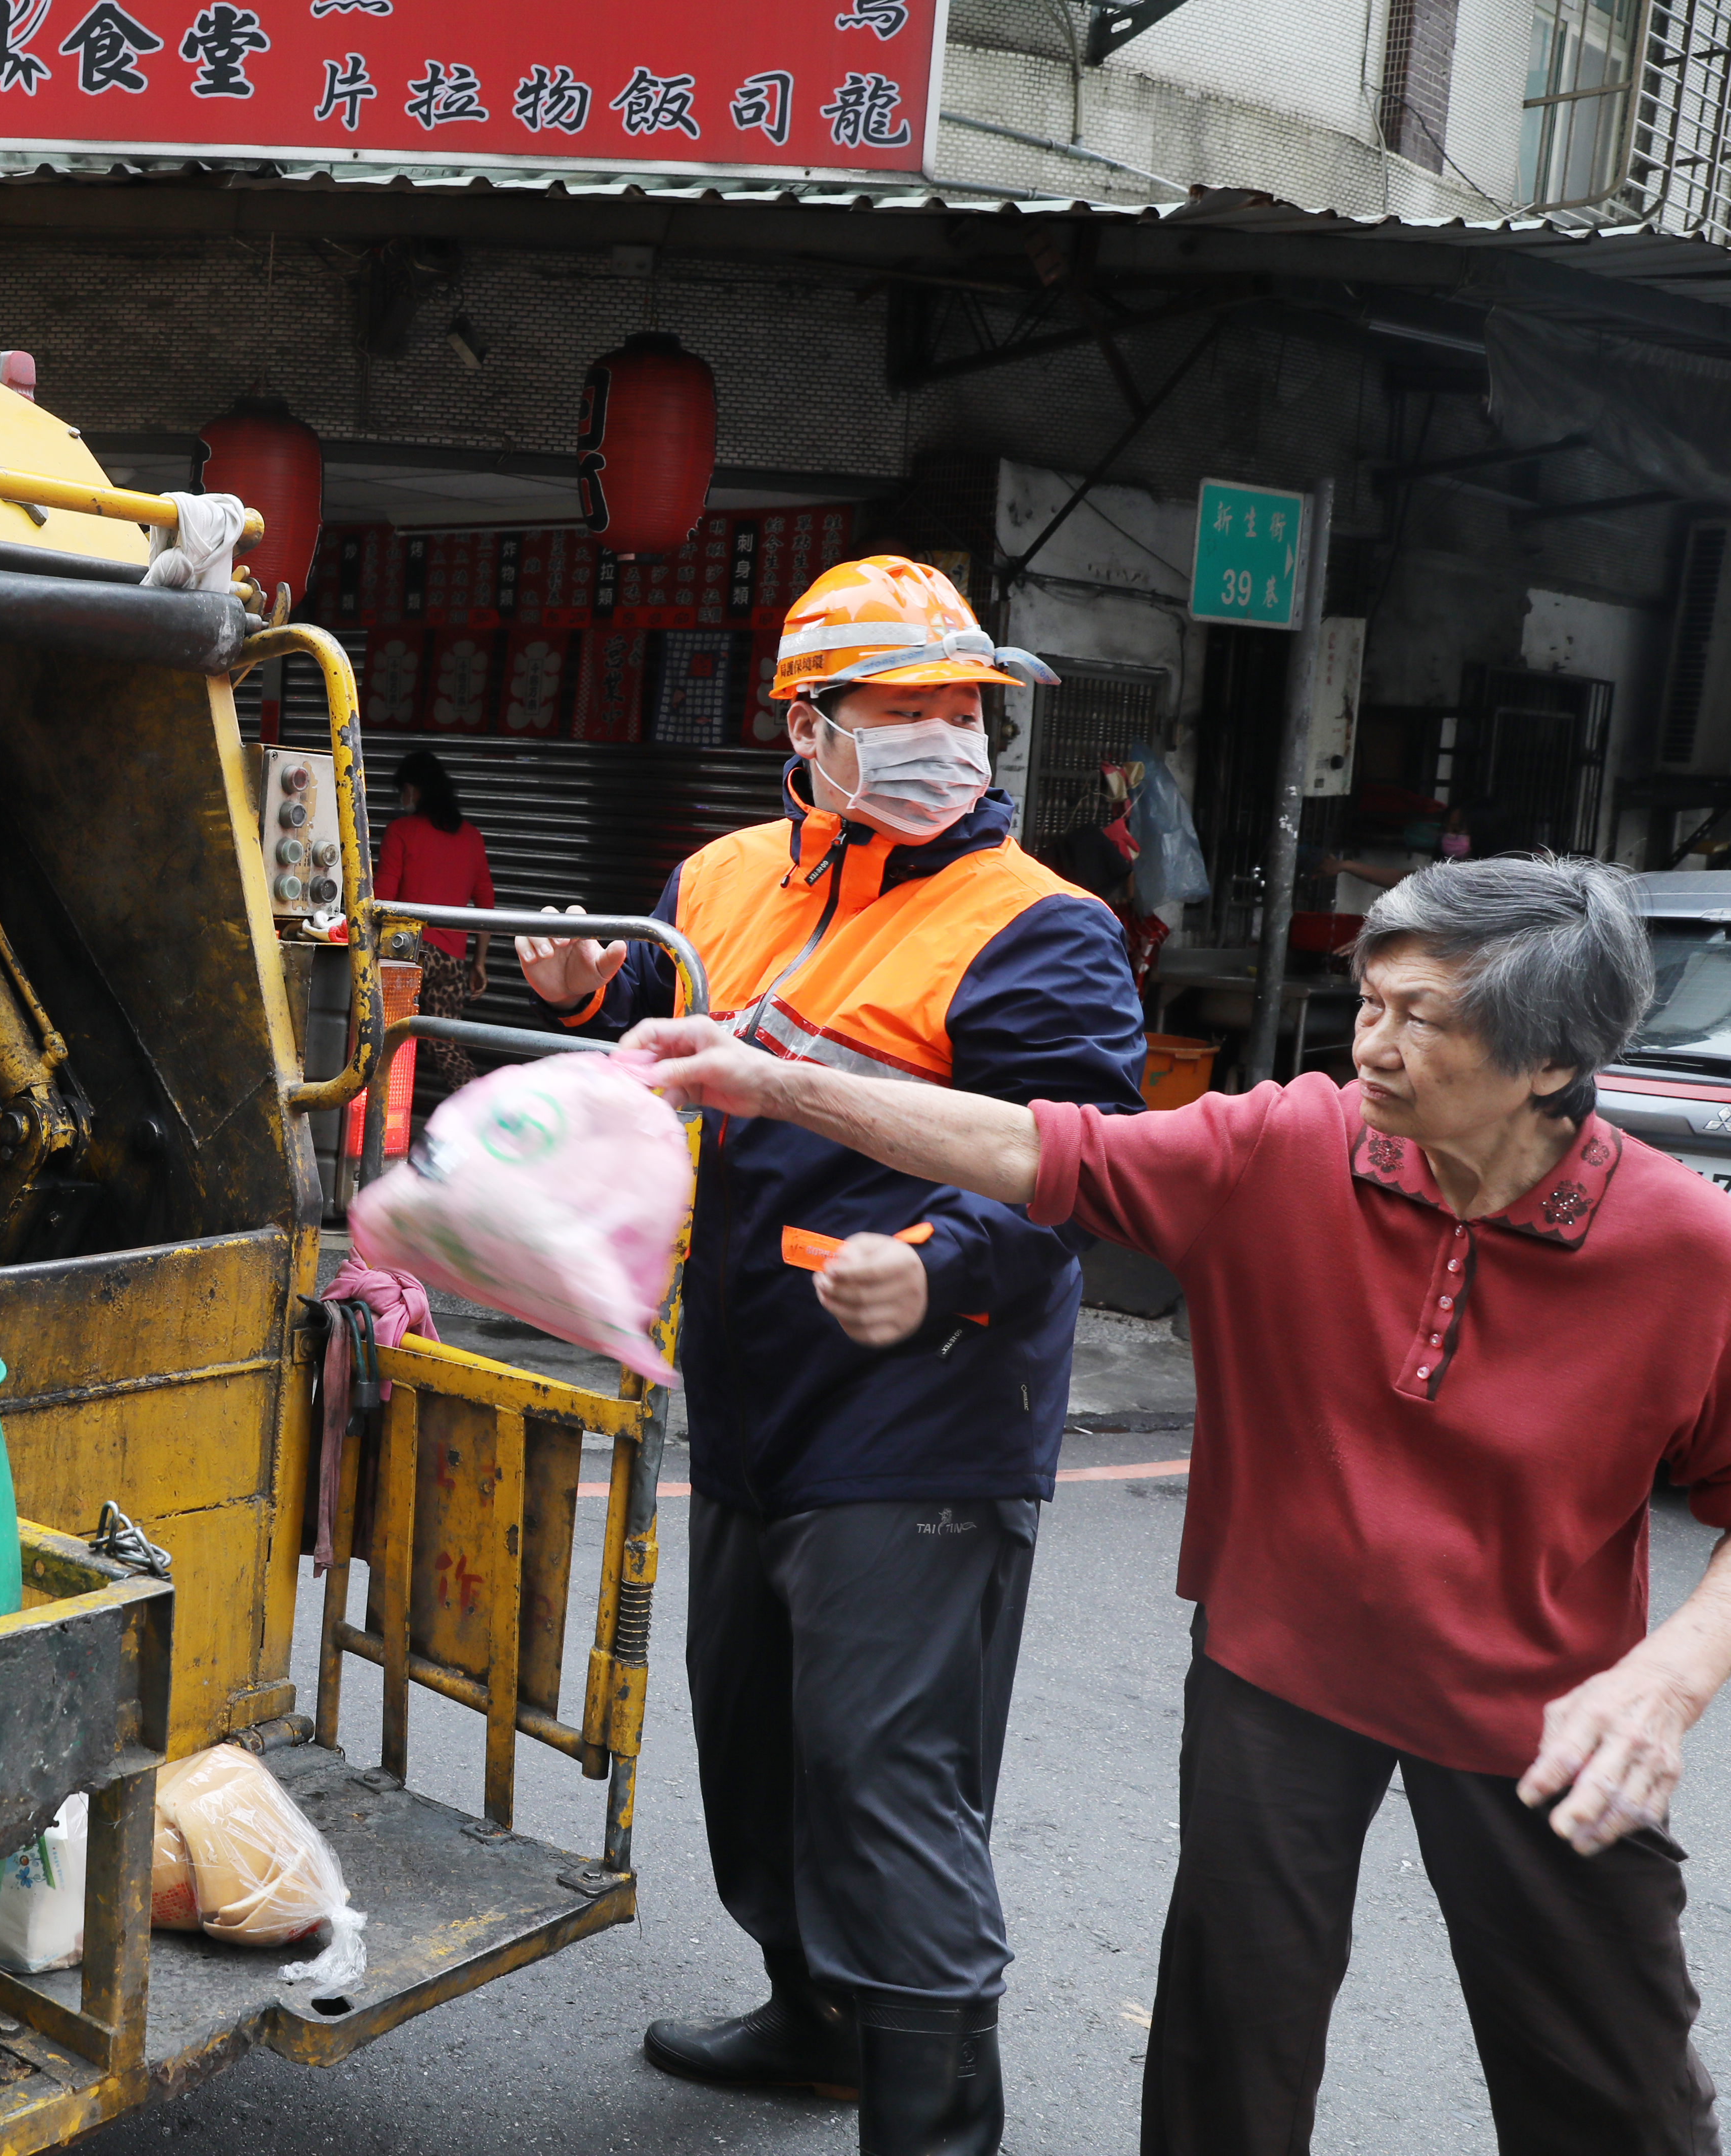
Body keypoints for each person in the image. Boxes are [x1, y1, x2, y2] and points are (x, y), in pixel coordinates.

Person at [624, 854, 1731, 2156]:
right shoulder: (1290, 1144)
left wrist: (1664, 1682)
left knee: (1613, 2092)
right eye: (1366, 1001)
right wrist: (770, 1085)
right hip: (1277, 1674)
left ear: (1550, 1064)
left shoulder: (1684, 1252)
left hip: (1544, 1716)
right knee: (1226, 2062)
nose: (1368, 1043)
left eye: (1419, 1017)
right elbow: (1040, 1145)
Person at [515, 557, 1144, 2155]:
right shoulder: (720, 873)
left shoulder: (1037, 927)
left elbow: (1073, 1161)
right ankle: (812, 2018)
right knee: (755, 1744)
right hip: (742, 1394)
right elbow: (654, 1030)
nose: (949, 736)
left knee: (883, 1769)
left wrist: (938, 1264)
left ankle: (931, 2119)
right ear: (804, 724)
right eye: (904, 708)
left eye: (965, 709)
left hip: (924, 1410)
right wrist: (588, 987)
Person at [374, 749, 497, 1089]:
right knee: (447, 1049)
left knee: (387, 1042)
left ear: (413, 790)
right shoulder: (472, 837)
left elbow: (383, 897)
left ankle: (379, 1120)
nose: (402, 799)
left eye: (403, 791)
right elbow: (486, 904)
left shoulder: (401, 831)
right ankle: (479, 1105)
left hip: (406, 955)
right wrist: (480, 962)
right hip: (452, 961)